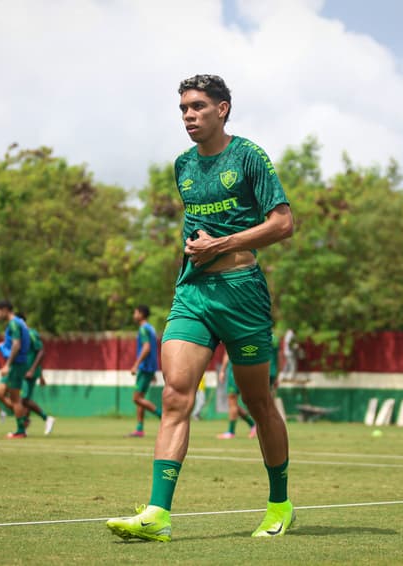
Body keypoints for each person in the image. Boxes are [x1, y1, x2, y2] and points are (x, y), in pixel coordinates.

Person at [107, 74, 295, 541]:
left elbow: (283, 224)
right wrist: (198, 252)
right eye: (183, 110)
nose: (189, 116)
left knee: (257, 403)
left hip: (243, 293)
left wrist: (223, 243)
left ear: (222, 109)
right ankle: (157, 514)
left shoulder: (249, 156)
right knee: (175, 395)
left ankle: (280, 504)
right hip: (193, 293)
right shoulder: (182, 165)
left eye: (197, 107)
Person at [0, 299, 31, 439]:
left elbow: (16, 345)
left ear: (5, 310)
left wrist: (7, 364)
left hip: (16, 364)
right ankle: (23, 418)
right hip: (17, 363)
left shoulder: (14, 323)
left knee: (15, 398)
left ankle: (21, 430)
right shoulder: (19, 322)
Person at [128, 305, 161, 437]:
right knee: (140, 398)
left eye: (135, 312)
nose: (134, 314)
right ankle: (139, 428)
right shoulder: (151, 328)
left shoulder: (143, 329)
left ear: (141, 314)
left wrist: (136, 364)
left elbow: (147, 348)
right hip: (150, 367)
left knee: (136, 398)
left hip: (145, 367)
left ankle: (162, 416)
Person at [19, 315, 55, 435]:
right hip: (25, 371)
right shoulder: (21, 336)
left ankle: (46, 418)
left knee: (23, 399)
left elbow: (41, 352)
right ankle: (23, 427)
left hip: (29, 372)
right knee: (24, 400)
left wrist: (33, 370)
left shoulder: (31, 333)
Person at [216, 350, 256, 439]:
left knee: (232, 402)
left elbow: (227, 353)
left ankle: (231, 432)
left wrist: (222, 370)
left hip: (234, 371)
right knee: (233, 404)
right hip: (247, 369)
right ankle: (253, 425)